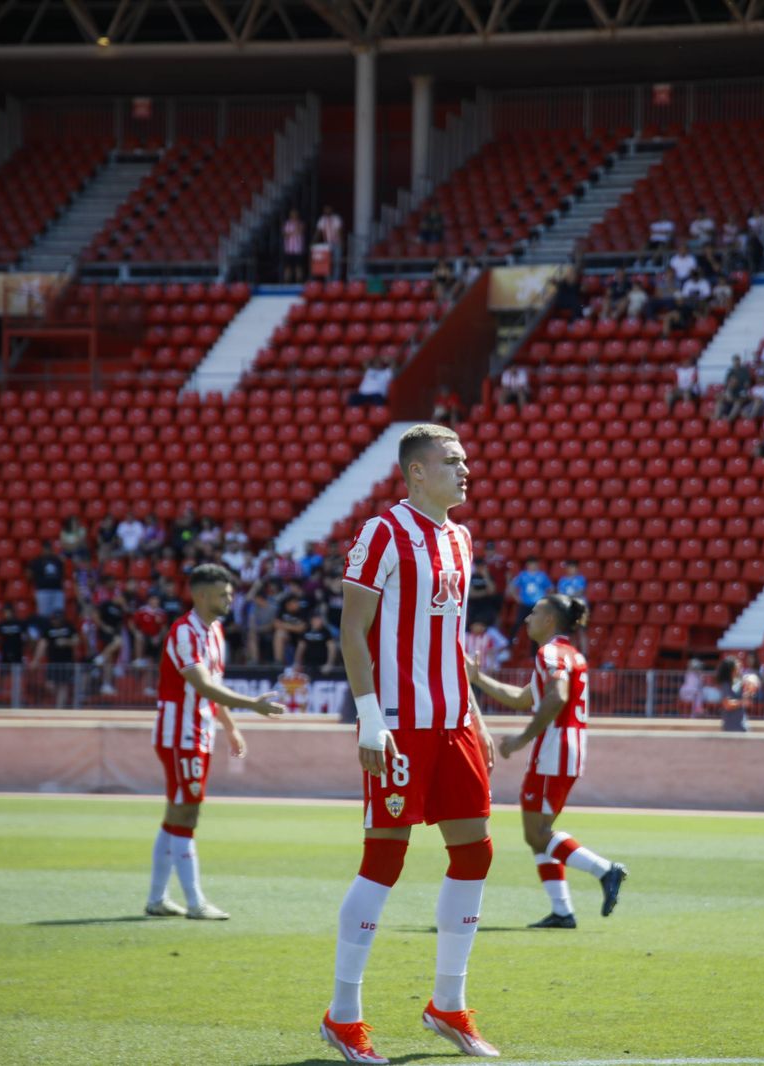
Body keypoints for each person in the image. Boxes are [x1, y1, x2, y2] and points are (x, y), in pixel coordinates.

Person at [321, 423, 502, 1063]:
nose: (465, 469)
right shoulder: (383, 533)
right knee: (384, 860)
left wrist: (475, 715)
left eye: (465, 460)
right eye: (452, 460)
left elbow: (451, 640)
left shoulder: (461, 538)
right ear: (417, 472)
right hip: (399, 724)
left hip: (454, 722)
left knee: (475, 851)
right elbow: (352, 630)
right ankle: (343, 1015)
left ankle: (447, 1004)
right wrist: (371, 718)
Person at [464, 593, 626, 931]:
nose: (527, 619)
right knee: (539, 832)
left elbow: (557, 696)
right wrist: (478, 679)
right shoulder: (568, 654)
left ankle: (605, 871)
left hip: (553, 749)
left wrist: (521, 739)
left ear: (550, 620)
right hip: (566, 749)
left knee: (537, 834)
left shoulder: (549, 653)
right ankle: (562, 911)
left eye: (535, 613)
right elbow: (523, 697)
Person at [146, 564, 284, 921]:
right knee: (187, 812)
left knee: (177, 812)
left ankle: (157, 898)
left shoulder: (215, 631)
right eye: (223, 594)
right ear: (202, 595)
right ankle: (195, 903)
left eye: (230, 593)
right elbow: (203, 685)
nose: (229, 599)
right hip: (181, 733)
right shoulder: (184, 632)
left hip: (198, 731)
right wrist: (252, 704)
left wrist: (230, 726)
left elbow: (214, 688)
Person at [29, 541, 66, 619]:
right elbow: (30, 574)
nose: (47, 551)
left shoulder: (57, 561)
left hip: (57, 590)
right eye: (45, 549)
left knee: (59, 614)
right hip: (43, 591)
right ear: (42, 550)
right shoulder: (37, 561)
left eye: (48, 549)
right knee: (44, 615)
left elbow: (62, 574)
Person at [282, 208, 307, 283]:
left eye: (295, 214)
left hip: (298, 249)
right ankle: (287, 282)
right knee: (287, 267)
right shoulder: (287, 224)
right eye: (292, 214)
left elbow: (301, 231)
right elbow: (284, 234)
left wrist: (290, 233)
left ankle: (299, 281)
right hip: (288, 249)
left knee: (298, 267)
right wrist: (293, 233)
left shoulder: (301, 223)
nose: (294, 216)